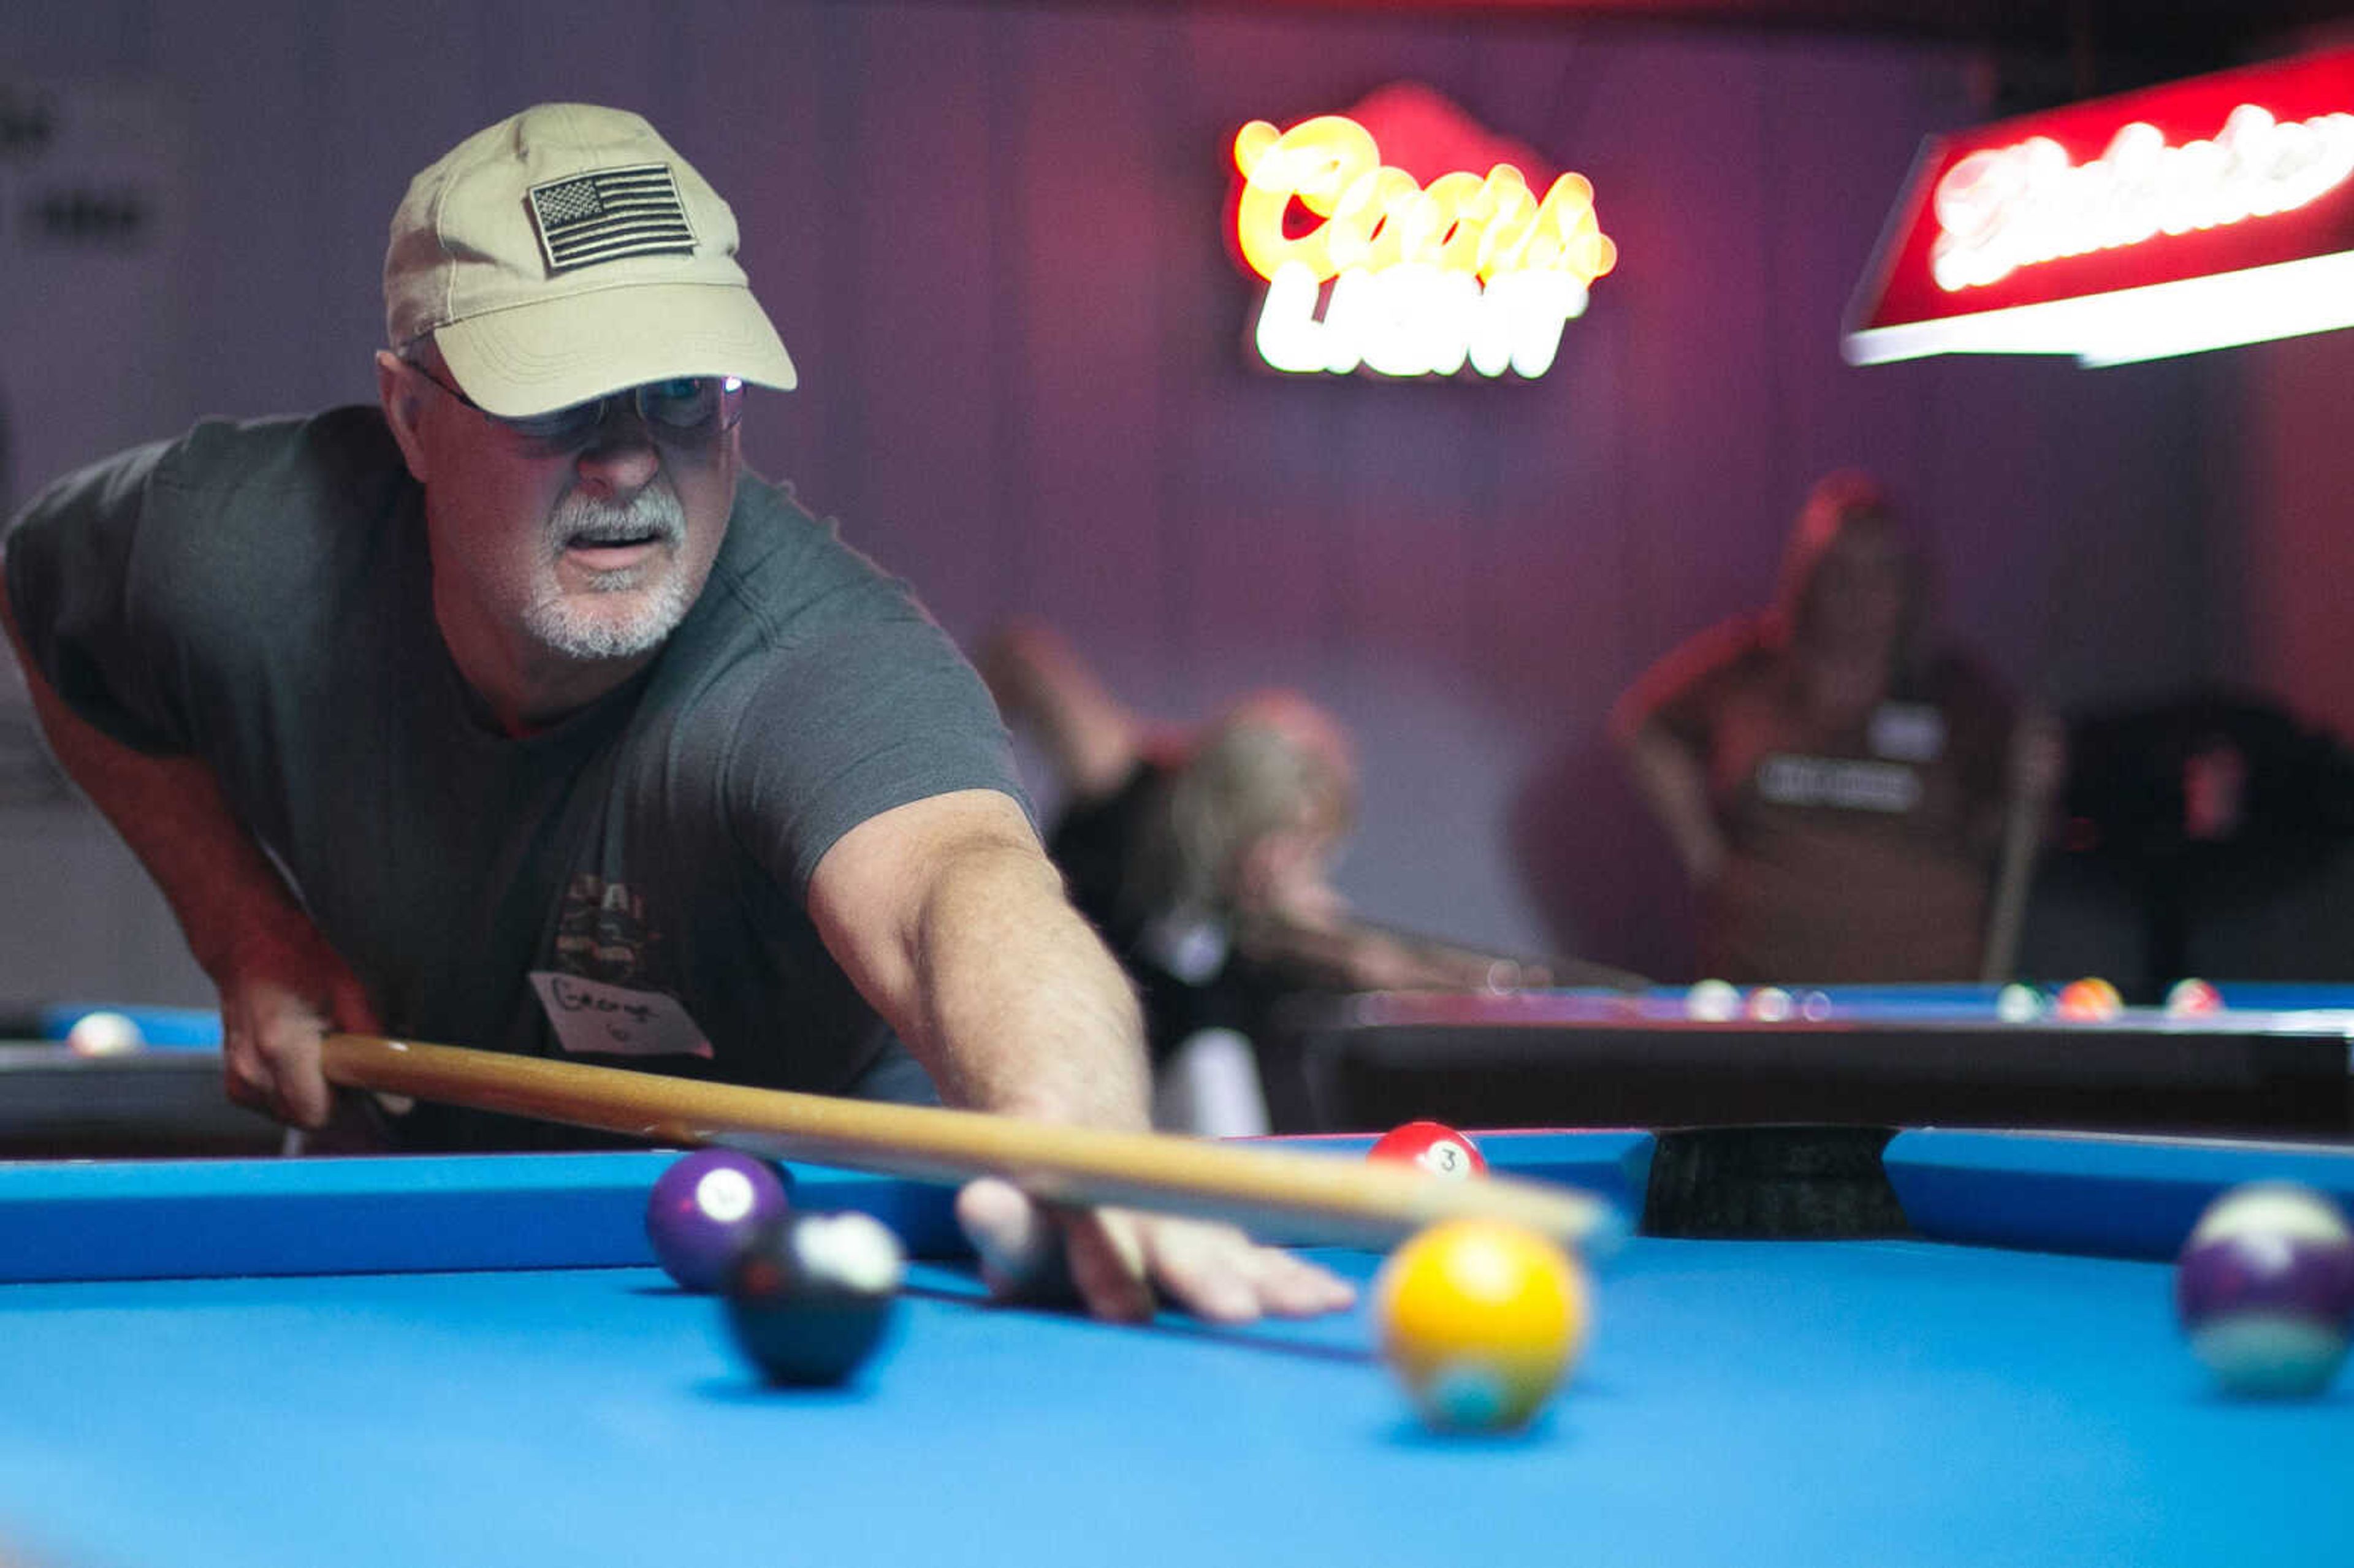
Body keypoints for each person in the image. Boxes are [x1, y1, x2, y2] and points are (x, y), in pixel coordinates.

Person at [0, 104, 1349, 1326]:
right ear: (412, 413)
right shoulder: (235, 545)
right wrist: (241, 921)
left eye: (682, 393)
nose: (633, 456)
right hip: (408, 1228)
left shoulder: (813, 661)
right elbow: (46, 609)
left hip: (820, 1246)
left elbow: (961, 891)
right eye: (563, 397)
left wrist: (1078, 1132)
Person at [983, 619, 1583, 1134]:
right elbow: (1021, 653)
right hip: (1049, 1035)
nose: (1287, 862)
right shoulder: (1123, 774)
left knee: (1218, 1073)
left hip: (1163, 1086)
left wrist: (1489, 984)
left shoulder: (1281, 917)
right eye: (1277, 836)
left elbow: (1366, 959)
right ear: (1225, 805)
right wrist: (971, 817)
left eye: (1310, 846)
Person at [1610, 471, 2060, 984]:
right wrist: (1703, 852)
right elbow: (1644, 727)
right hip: (1764, 995)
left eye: (1881, 574)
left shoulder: (1957, 692)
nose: (1860, 594)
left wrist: (2034, 788)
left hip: (1923, 1000)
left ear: (1908, 586)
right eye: (1840, 572)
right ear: (1808, 579)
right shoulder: (1749, 667)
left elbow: (2012, 830)